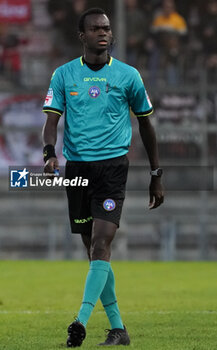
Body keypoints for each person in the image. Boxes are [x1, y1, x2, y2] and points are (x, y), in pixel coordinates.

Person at [42, 8, 164, 347]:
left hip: (112, 169)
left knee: (101, 243)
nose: (103, 33)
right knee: (93, 251)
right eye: (96, 28)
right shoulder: (64, 75)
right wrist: (49, 153)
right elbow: (51, 120)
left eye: (107, 28)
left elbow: (146, 124)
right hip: (78, 171)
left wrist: (156, 173)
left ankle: (79, 320)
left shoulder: (128, 76)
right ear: (82, 35)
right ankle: (118, 329)